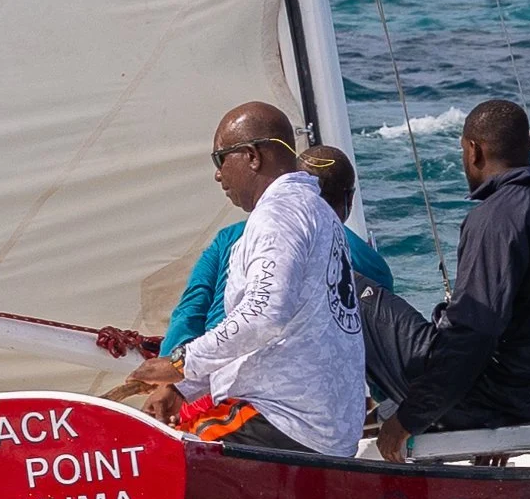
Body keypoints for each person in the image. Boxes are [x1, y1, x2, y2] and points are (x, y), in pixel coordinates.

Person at [360, 99, 530, 462]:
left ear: (474, 150)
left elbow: (475, 331)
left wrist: (410, 418)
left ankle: (315, 426)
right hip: (527, 407)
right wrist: (528, 423)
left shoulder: (496, 216)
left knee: (348, 286)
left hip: (480, 403)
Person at [127, 102, 366, 457]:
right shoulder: (318, 211)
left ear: (252, 157)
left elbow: (263, 316)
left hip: (283, 420)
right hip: (327, 428)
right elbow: (270, 331)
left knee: (145, 455)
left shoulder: (278, 214)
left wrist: (179, 363)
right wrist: (184, 388)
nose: (218, 175)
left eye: (220, 159)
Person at [159, 145, 393, 359]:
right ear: (350, 198)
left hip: (211, 371)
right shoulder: (371, 264)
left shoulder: (228, 239)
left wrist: (170, 366)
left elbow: (190, 310)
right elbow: (378, 346)